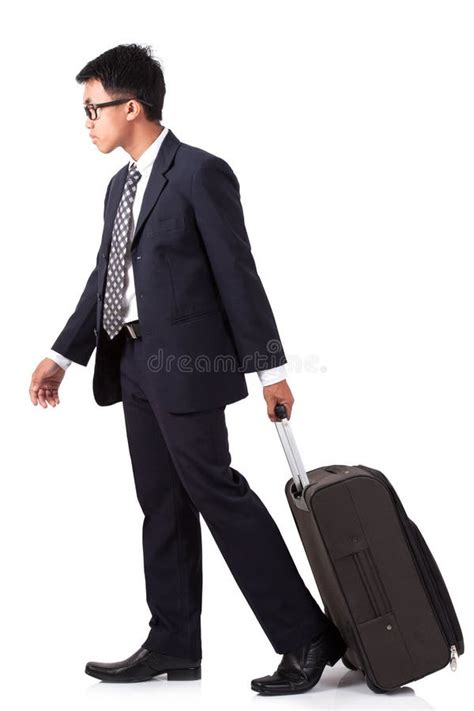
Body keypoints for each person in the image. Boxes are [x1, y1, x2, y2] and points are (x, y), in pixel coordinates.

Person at [29, 43, 345, 694]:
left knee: (216, 493)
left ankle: (308, 636)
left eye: (93, 108)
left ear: (132, 106)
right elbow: (105, 280)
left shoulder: (200, 174)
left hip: (187, 364)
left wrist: (271, 370)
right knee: (161, 503)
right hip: (134, 361)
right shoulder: (120, 186)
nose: (86, 121)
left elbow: (238, 273)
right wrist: (62, 355)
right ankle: (174, 640)